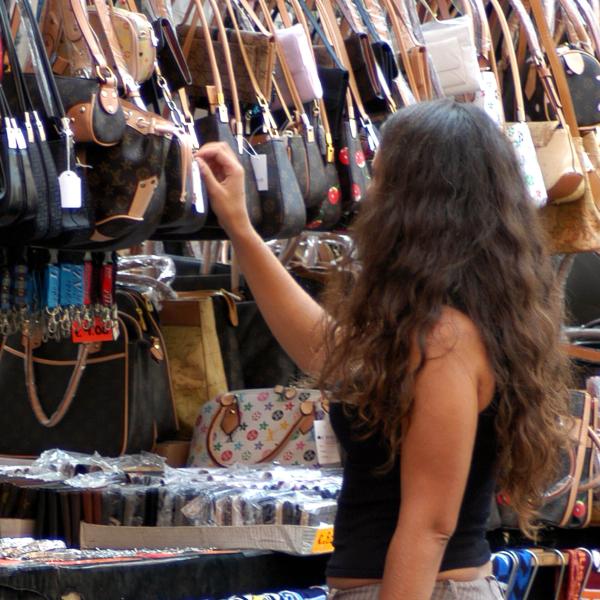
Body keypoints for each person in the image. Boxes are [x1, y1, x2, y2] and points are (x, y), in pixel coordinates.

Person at [195, 99, 571, 600]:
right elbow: (325, 352)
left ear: (415, 200)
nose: (370, 192)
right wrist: (240, 227)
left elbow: (430, 526)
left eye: (382, 176)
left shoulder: (445, 341)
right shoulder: (438, 326)